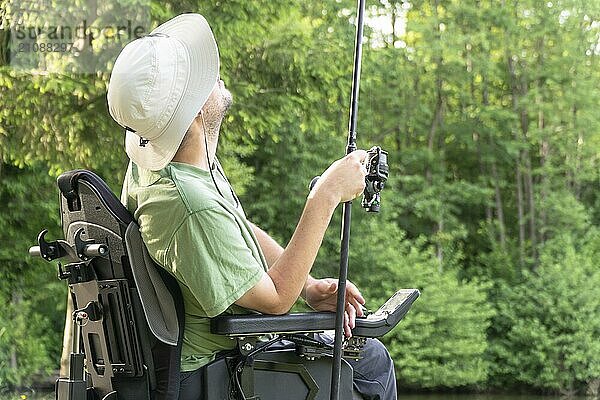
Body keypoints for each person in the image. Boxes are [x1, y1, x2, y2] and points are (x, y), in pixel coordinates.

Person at [108, 13, 396, 400]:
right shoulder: (190, 206)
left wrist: (308, 285)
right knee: (371, 359)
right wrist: (324, 197)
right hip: (217, 370)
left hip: (215, 357)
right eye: (203, 79)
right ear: (192, 115)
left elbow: (236, 229)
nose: (216, 74)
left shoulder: (170, 165)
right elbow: (276, 299)